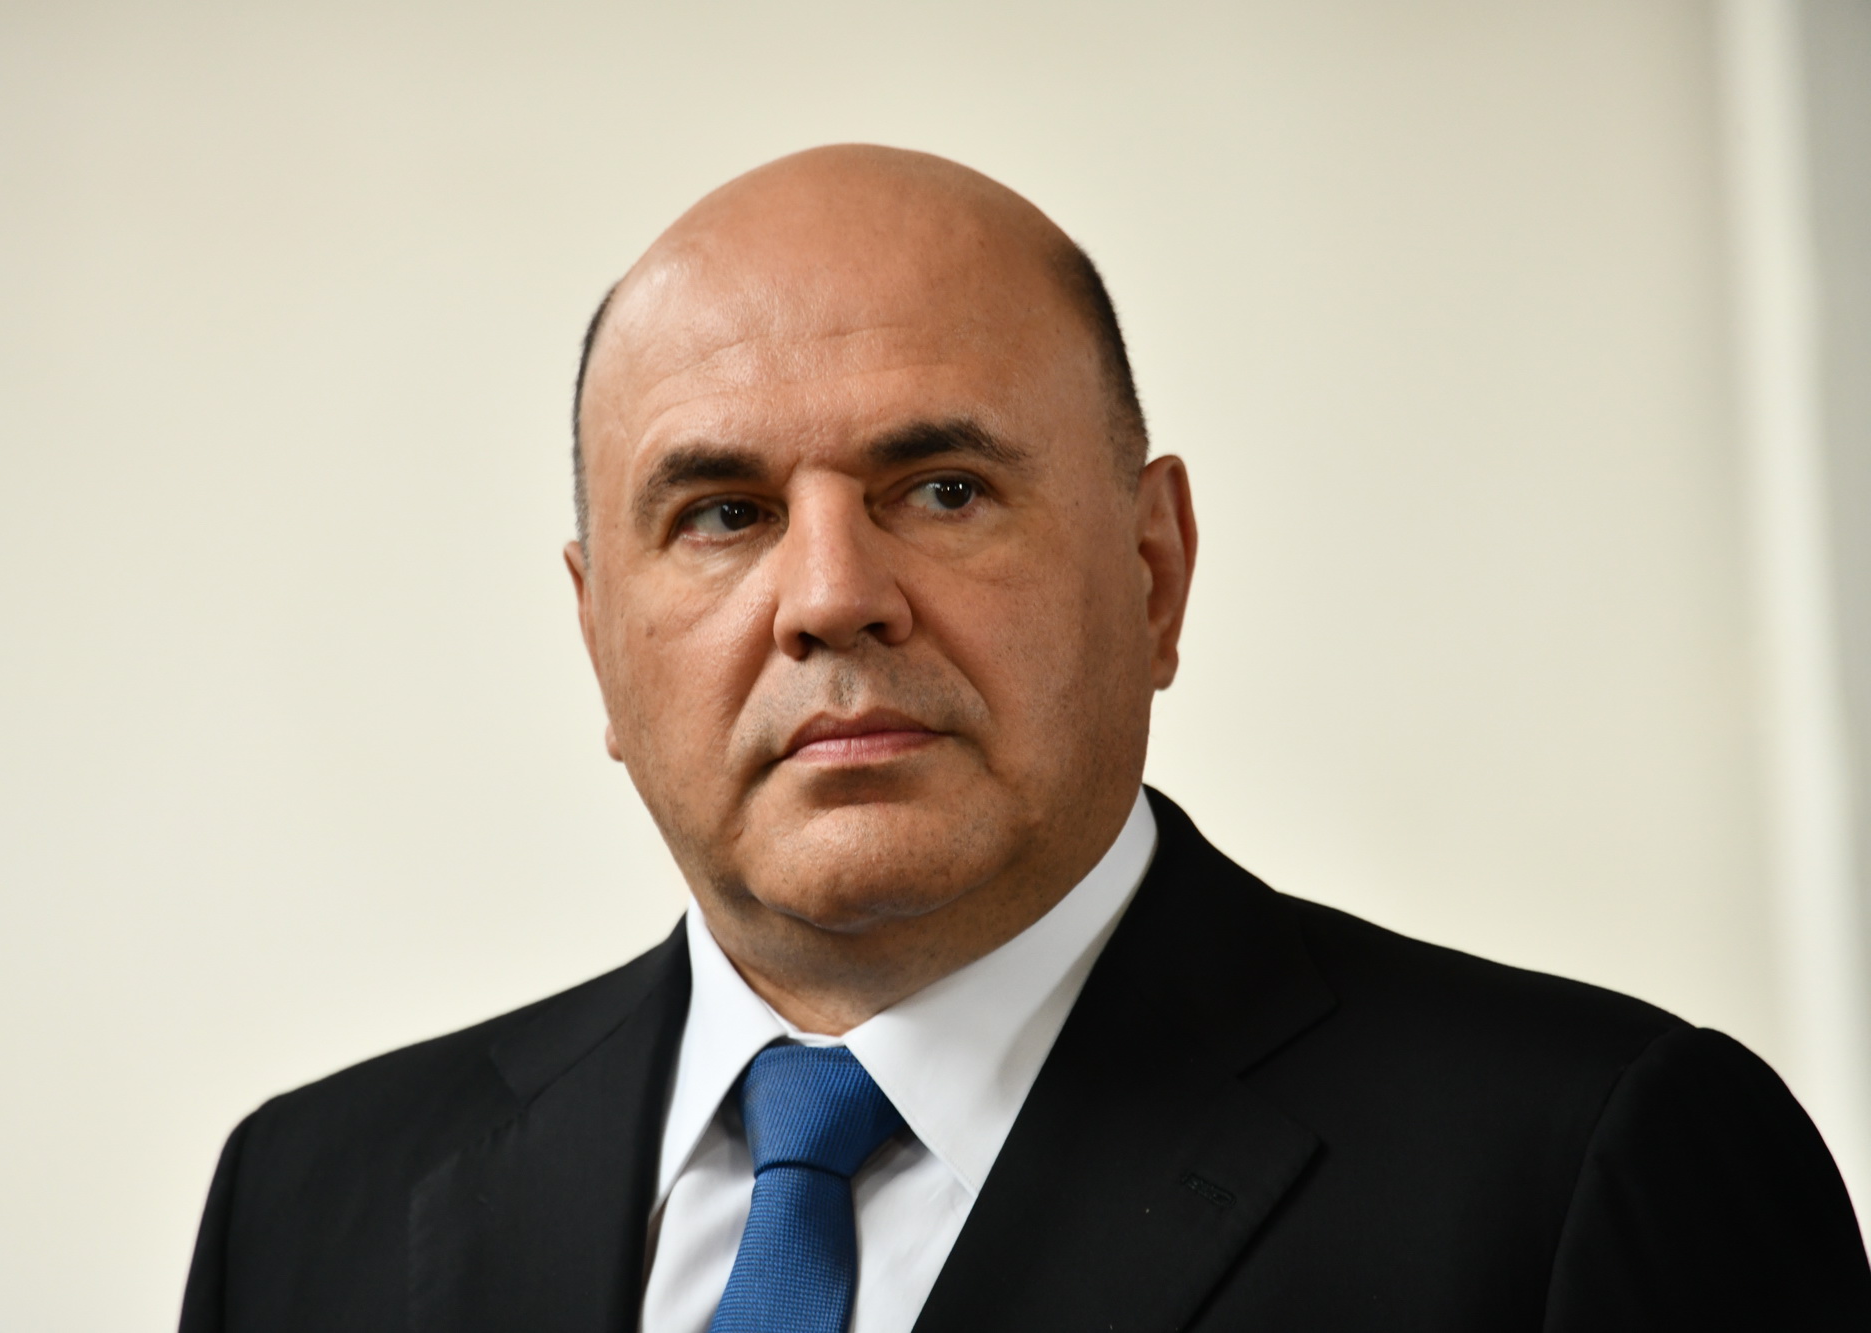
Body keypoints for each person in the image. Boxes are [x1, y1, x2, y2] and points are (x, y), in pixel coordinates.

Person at [177, 146, 1871, 1333]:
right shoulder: (308, 1207)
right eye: (722, 513)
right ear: (598, 644)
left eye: (942, 488)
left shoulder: (1584, 1172)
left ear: (1154, 570)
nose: (831, 597)